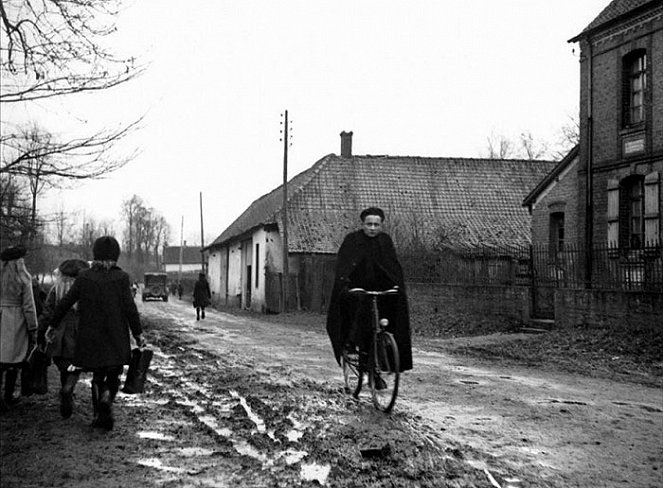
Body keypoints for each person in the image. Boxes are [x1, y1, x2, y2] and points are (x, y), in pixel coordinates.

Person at [44, 236, 145, 430]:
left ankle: (72, 392)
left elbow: (65, 302)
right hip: (115, 335)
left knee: (96, 374)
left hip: (89, 335)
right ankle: (106, 399)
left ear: (95, 254)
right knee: (112, 375)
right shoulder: (121, 278)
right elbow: (130, 308)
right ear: (116, 255)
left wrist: (52, 326)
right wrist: (138, 334)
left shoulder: (84, 277)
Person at [326, 207, 413, 372]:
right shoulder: (352, 240)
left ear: (381, 225)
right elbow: (344, 266)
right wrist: (346, 284)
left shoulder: (385, 241)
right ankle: (351, 343)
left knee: (394, 307)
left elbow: (392, 266)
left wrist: (396, 285)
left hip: (380, 289)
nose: (372, 228)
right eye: (369, 224)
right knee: (356, 308)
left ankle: (386, 352)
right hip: (356, 289)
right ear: (363, 224)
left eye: (376, 224)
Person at [38, 259, 89, 419]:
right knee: (76, 364)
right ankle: (68, 389)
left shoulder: (56, 290)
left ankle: (65, 390)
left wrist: (41, 334)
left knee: (63, 365)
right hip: (78, 334)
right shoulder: (85, 291)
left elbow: (47, 314)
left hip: (58, 335)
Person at [0, 246, 38, 412]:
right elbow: (29, 306)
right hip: (15, 321)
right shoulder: (23, 278)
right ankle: (8, 396)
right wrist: (33, 327)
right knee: (13, 359)